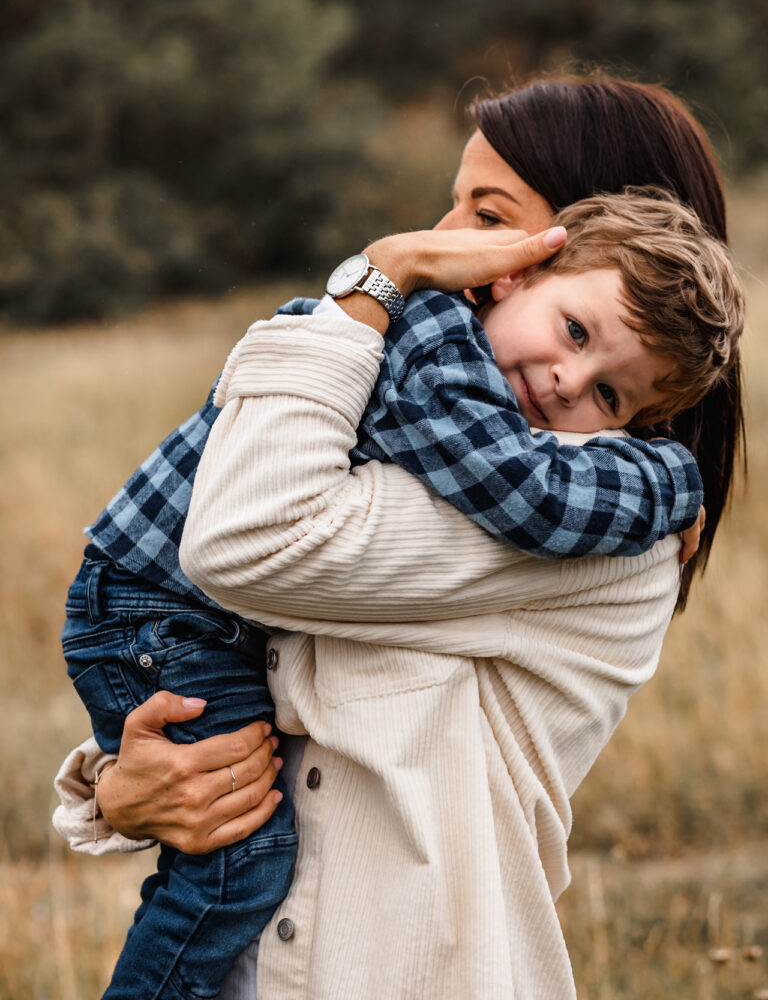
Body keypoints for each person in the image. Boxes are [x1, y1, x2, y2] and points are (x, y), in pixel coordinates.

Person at [53, 75, 745, 999]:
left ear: (558, 246)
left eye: (488, 214)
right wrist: (116, 790)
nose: (445, 241)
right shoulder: (443, 416)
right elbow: (283, 682)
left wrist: (371, 288)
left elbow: (240, 546)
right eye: (453, 204)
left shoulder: (601, 532)